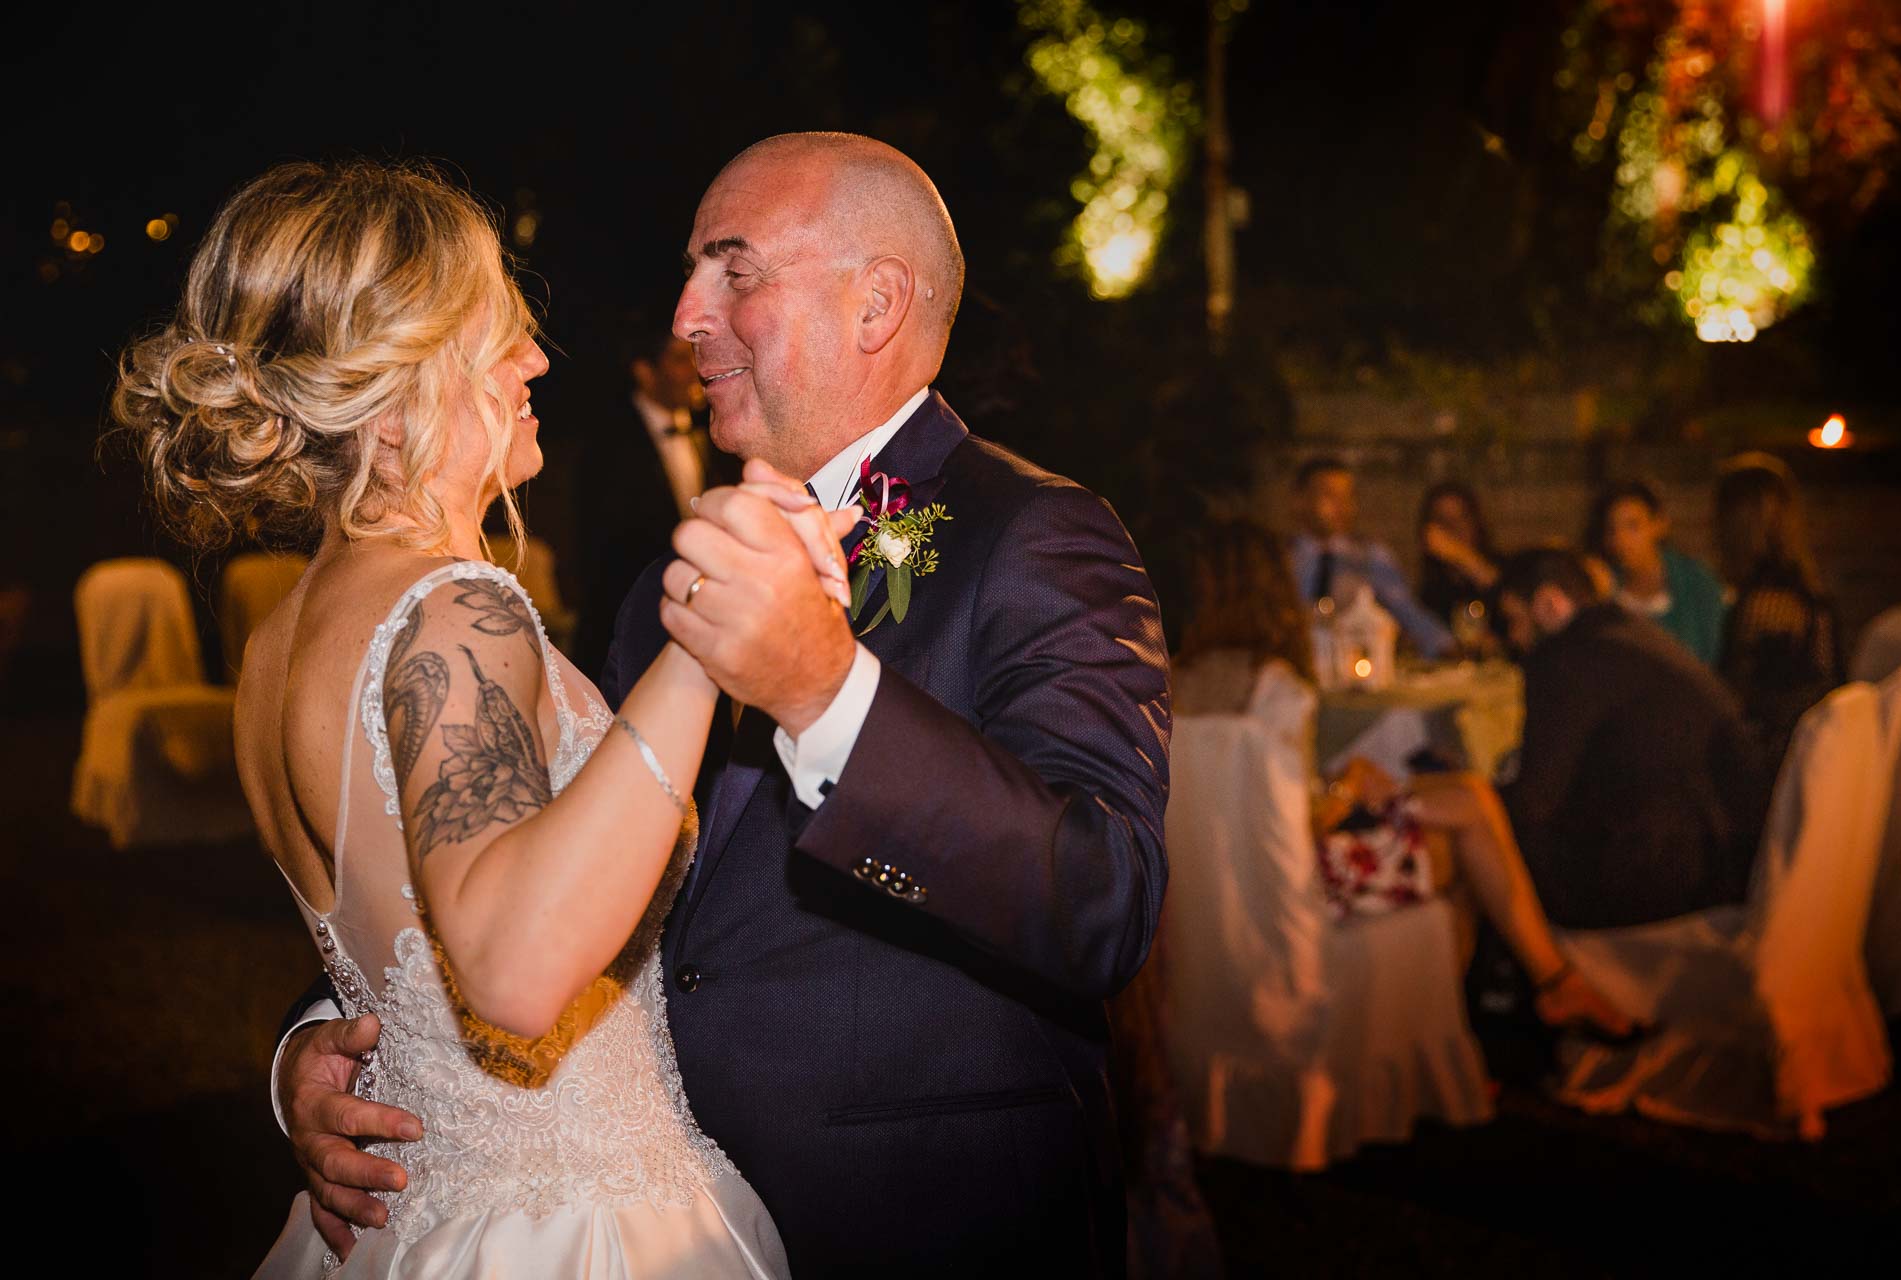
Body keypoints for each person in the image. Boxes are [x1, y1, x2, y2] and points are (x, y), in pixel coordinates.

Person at [278, 134, 1173, 1276]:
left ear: (876, 303)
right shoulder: (668, 572)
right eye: (691, 272)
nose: (687, 315)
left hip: (922, 1220)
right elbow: (525, 844)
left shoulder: (1035, 533)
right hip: (645, 1219)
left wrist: (825, 693)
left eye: (734, 270)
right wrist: (329, 1040)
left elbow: (1104, 897)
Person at [116, 159, 849, 1275]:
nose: (536, 360)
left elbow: (394, 944)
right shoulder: (456, 608)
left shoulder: (279, 640)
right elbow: (510, 970)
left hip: (409, 1218)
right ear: (397, 393)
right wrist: (711, 641)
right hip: (568, 1228)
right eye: (497, 335)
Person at [1175, 520, 1634, 1036]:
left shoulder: (1171, 682)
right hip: (1295, 884)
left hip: (1213, 875)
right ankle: (1480, 1019)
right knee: (1457, 842)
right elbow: (1295, 825)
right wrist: (1346, 786)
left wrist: (1342, 782)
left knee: (1469, 794)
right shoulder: (1275, 688)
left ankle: (1544, 986)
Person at [1497, 547, 1769, 929]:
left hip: (1663, 875)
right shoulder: (1630, 633)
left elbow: (1537, 799)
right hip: (1728, 859)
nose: (1514, 638)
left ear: (1548, 604)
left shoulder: (1565, 658)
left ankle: (1530, 965)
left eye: (1515, 620)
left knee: (1491, 842)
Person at [571, 328, 726, 673]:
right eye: (679, 359)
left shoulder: (712, 431)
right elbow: (602, 556)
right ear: (645, 371)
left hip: (696, 625)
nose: (695, 370)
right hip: (627, 632)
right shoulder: (608, 444)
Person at [1713, 453, 1841, 774]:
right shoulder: (1808, 593)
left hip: (1777, 761)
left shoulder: (1764, 602)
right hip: (1821, 751)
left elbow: (1734, 697)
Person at [1289, 456, 1454, 659]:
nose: (1342, 507)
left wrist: (1447, 645)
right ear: (1300, 501)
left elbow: (1408, 611)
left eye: (1348, 497)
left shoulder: (1369, 557)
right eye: (1330, 496)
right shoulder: (1284, 559)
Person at [1584, 479, 1726, 666]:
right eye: (1612, 529)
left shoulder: (1695, 582)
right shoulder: (1603, 585)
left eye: (1633, 526)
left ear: (1659, 524)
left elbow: (1710, 654)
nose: (1621, 539)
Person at [1416, 480, 1501, 646]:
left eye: (1461, 518)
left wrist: (1461, 556)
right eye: (1443, 521)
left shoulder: (1501, 569)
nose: (1453, 528)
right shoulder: (1433, 586)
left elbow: (1507, 597)